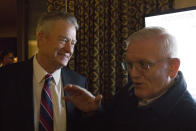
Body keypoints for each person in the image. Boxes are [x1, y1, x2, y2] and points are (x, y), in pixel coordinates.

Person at [63, 27, 196, 131]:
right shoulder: (129, 91)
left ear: (172, 67)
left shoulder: (189, 117)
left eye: (144, 65)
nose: (133, 74)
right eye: (129, 65)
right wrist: (93, 111)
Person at [0, 11, 88, 131]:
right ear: (41, 38)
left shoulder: (79, 82)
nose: (69, 50)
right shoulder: (6, 77)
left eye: (73, 43)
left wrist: (93, 112)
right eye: (63, 40)